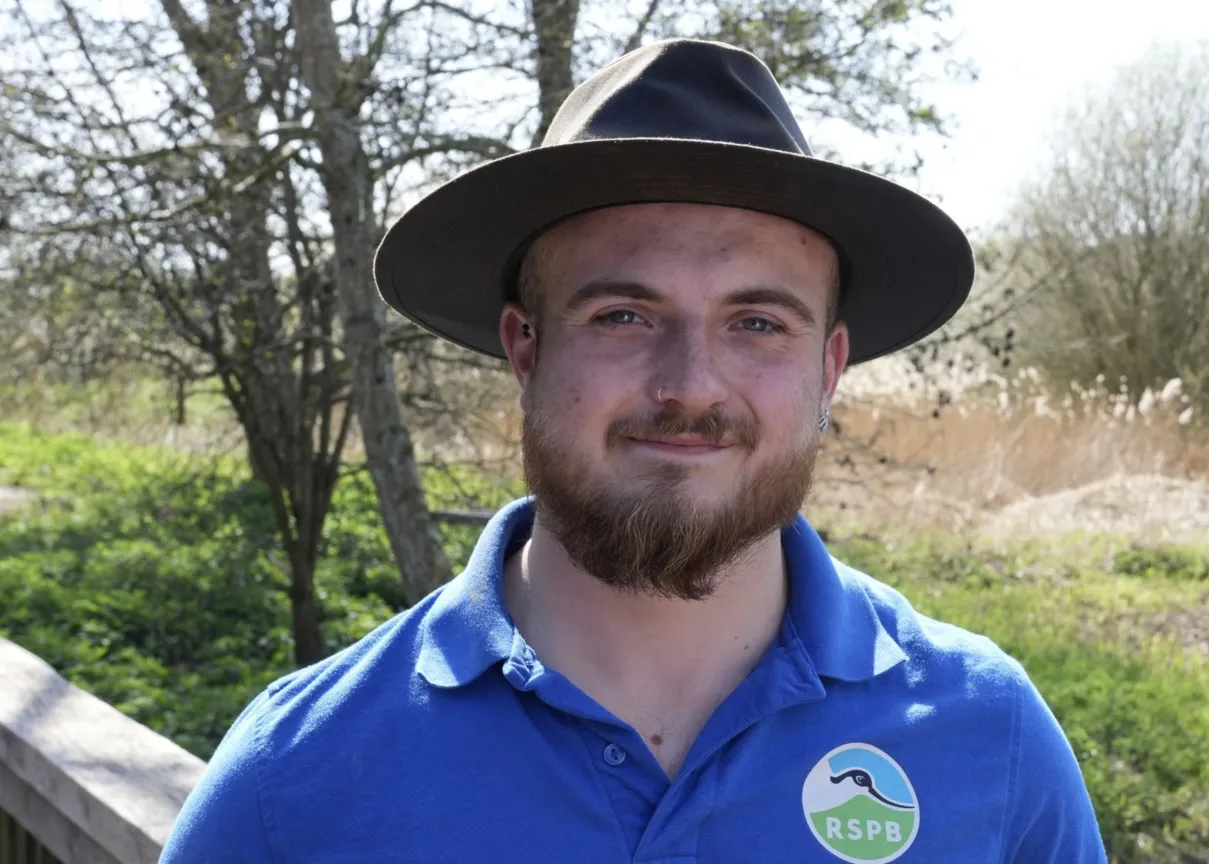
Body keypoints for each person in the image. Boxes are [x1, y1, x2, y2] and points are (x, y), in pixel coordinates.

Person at [161, 38, 1107, 863]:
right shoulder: (295, 783)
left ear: (829, 368)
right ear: (526, 348)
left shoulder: (989, 739)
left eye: (758, 323)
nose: (691, 383)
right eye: (622, 314)